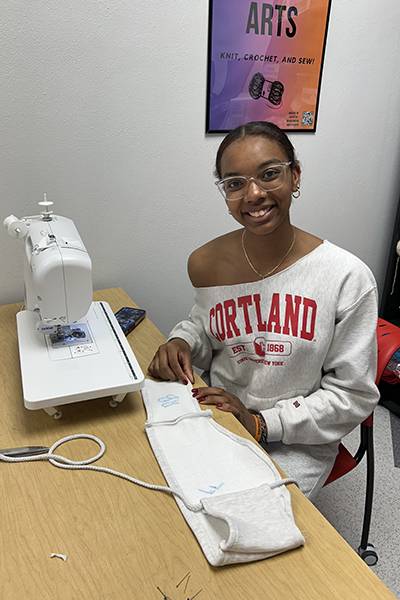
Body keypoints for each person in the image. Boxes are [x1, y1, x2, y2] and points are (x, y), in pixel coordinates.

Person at [148, 121, 379, 500]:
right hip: (219, 416)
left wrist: (260, 424)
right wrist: (182, 342)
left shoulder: (346, 277)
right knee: (158, 494)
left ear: (295, 175)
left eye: (269, 174)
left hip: (297, 441)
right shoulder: (208, 262)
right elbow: (206, 327)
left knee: (246, 517)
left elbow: (353, 396)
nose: (253, 194)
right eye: (235, 183)